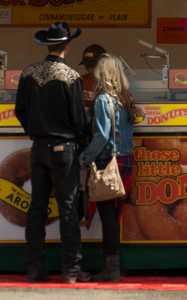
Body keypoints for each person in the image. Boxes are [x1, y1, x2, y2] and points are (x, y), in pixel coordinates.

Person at [15, 21, 91, 284]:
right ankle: (71, 270)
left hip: (38, 148)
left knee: (36, 210)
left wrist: (36, 131)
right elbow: (79, 120)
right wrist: (82, 146)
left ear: (47, 45)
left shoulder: (28, 74)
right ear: (68, 45)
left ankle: (34, 269)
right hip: (65, 150)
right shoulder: (72, 77)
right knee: (68, 209)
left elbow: (20, 113)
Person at [80, 53, 135, 282]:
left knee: (107, 217)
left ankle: (111, 269)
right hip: (126, 161)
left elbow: (102, 136)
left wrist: (84, 158)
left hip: (107, 162)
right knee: (115, 216)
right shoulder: (126, 98)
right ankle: (113, 266)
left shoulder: (103, 100)